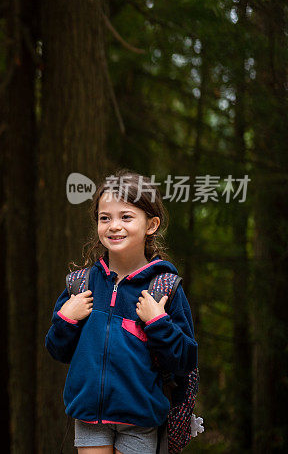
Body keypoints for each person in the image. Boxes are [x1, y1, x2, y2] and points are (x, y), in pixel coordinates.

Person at [45, 171, 198, 454]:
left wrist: (158, 322)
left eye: (126, 217)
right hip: (89, 416)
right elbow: (57, 350)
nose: (114, 226)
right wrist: (66, 319)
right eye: (105, 218)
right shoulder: (81, 284)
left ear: (151, 225)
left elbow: (185, 359)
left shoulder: (164, 288)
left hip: (140, 418)